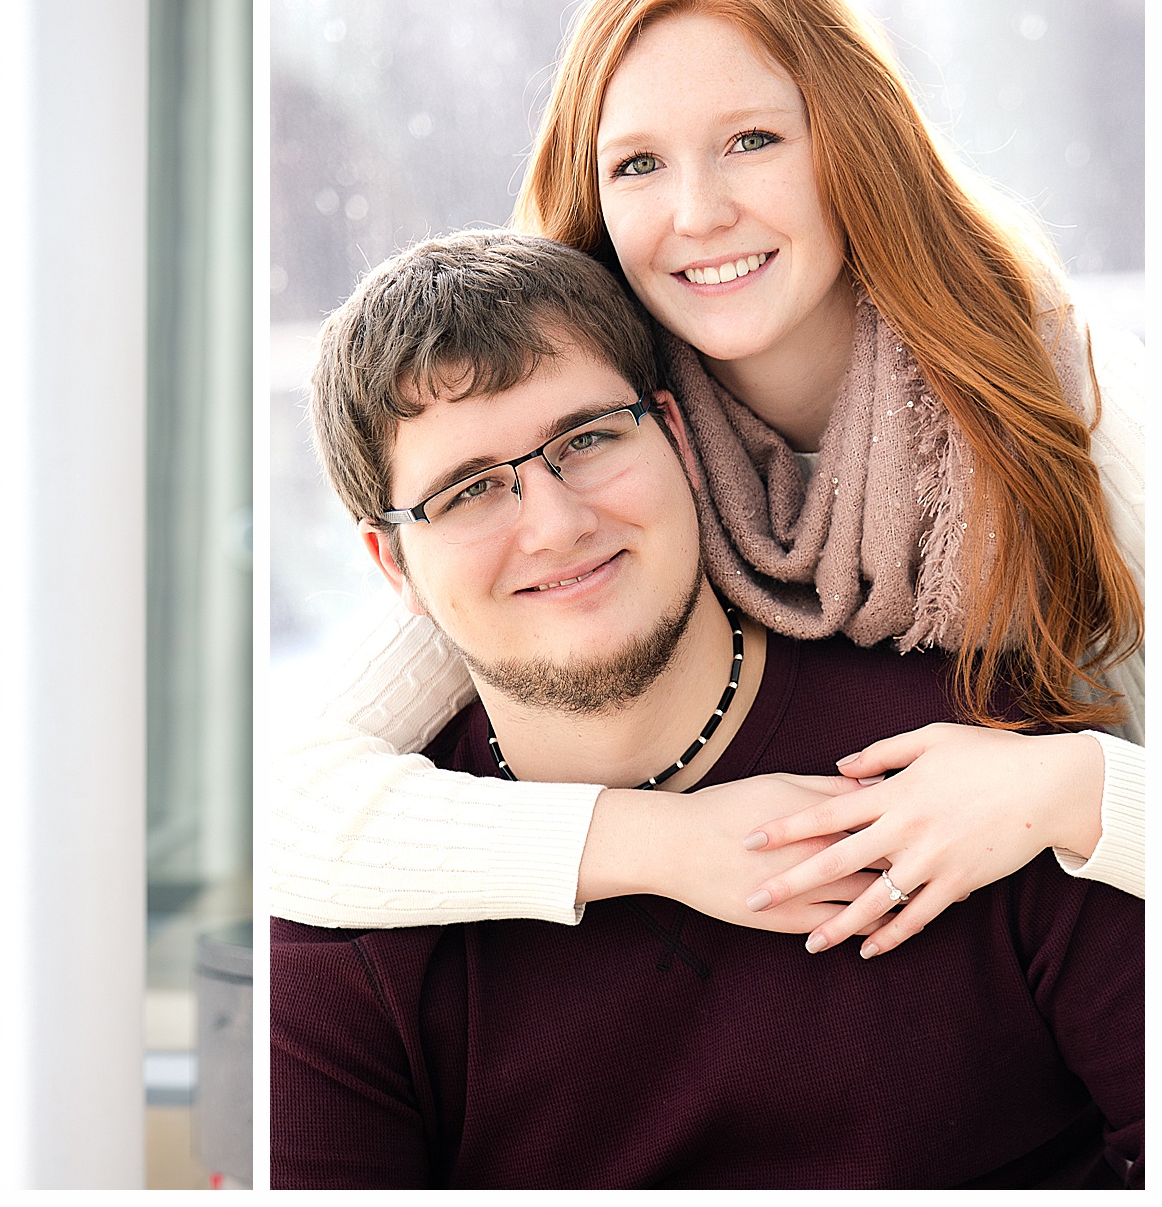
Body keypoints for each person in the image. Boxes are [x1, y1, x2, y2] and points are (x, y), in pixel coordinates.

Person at [273, 0, 1143, 956]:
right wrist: (665, 842)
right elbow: (295, 798)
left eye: (752, 141)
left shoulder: (1063, 388)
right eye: (639, 164)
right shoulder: (595, 470)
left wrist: (1072, 788)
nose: (699, 212)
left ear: (851, 143)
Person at [272, 229, 1142, 1189]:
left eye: (589, 440)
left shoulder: (977, 766)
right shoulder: (346, 927)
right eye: (470, 492)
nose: (556, 524)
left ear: (680, 440)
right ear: (392, 564)